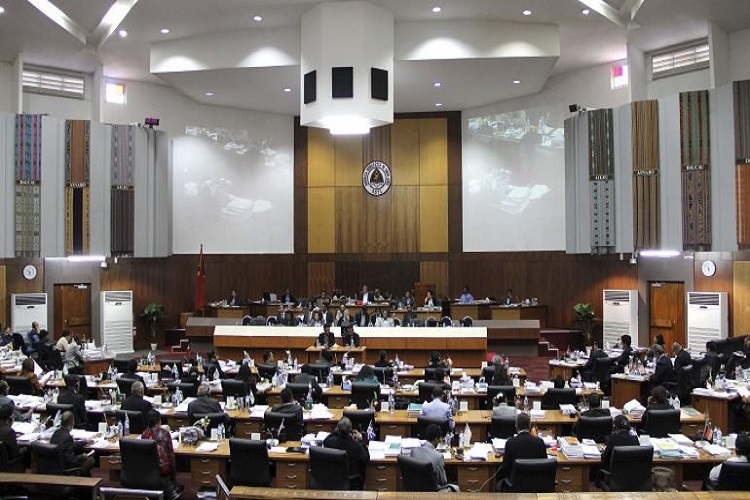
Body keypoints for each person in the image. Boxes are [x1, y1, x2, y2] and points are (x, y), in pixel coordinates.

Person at [495, 412, 547, 486]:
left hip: (515, 486)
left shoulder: (510, 443)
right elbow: (544, 467)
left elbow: (505, 469)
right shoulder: (540, 442)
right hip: (536, 486)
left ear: (516, 426)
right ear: (530, 426)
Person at [142, 409, 183, 499]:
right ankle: (171, 489)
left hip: (148, 470)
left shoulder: (144, 434)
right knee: (168, 468)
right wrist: (174, 475)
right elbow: (171, 456)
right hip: (163, 469)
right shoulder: (165, 433)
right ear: (159, 421)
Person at [322, 417, 370, 490]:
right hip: (353, 484)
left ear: (337, 429)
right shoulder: (357, 446)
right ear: (350, 430)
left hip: (334, 482)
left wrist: (336, 431)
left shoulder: (330, 442)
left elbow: (326, 440)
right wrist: (361, 440)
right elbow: (366, 458)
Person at [411, 423, 459, 491]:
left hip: (416, 491)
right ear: (436, 439)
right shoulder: (439, 457)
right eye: (439, 440)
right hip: (433, 492)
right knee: (456, 487)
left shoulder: (413, 451)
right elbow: (443, 482)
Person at [50, 411, 95, 476]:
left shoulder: (56, 433)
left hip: (55, 466)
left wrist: (85, 442)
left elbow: (70, 445)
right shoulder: (67, 437)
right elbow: (71, 460)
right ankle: (81, 479)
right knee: (91, 460)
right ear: (72, 423)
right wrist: (82, 457)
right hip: (65, 468)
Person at [0, 404, 28, 472]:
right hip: (9, 468)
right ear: (10, 419)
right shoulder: (9, 432)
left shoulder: (7, 432)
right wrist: (25, 449)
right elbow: (15, 454)